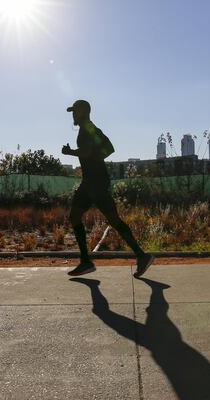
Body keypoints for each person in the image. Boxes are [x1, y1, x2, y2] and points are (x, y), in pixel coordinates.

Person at [62, 99, 154, 277]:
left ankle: (142, 256)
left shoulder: (88, 128)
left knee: (113, 219)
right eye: (72, 111)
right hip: (90, 181)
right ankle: (86, 262)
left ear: (84, 111)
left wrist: (71, 152)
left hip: (96, 182)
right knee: (75, 216)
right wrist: (97, 157)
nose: (73, 115)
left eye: (75, 111)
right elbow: (108, 148)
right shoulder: (90, 128)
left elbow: (89, 151)